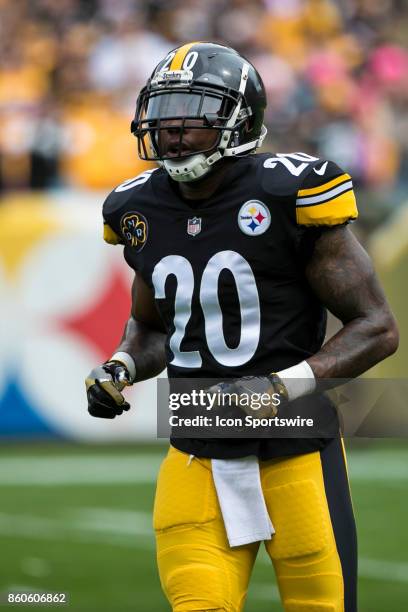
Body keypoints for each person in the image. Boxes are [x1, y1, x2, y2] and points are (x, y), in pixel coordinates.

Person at [85, 42, 399, 612]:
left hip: (297, 448)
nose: (173, 130)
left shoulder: (289, 193)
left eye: (193, 113)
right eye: (164, 113)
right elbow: (153, 328)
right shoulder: (137, 210)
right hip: (196, 450)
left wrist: (283, 386)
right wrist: (121, 366)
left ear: (239, 121)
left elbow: (376, 327)